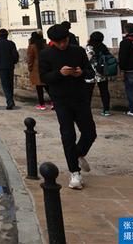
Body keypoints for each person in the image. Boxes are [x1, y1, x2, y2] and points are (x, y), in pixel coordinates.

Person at [39, 24, 96, 190]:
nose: (62, 45)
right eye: (59, 43)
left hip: (80, 97)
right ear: (52, 42)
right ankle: (74, 172)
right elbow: (44, 76)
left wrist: (81, 72)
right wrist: (60, 73)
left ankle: (77, 154)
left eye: (64, 41)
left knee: (90, 132)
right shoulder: (46, 54)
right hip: (61, 100)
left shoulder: (78, 51)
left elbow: (90, 71)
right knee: (68, 135)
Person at [85, 32, 112, 117]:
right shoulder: (103, 47)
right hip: (102, 72)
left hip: (91, 73)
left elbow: (89, 60)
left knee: (88, 92)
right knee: (104, 92)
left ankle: (86, 109)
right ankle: (106, 110)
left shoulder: (89, 47)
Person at [0, 29, 19, 110]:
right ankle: (11, 100)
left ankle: (9, 101)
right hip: (10, 66)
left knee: (5, 85)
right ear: (7, 35)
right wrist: (14, 62)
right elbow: (15, 55)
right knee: (10, 84)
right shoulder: (11, 43)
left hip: (1, 66)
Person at [27, 31, 50, 110]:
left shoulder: (32, 46)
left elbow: (30, 59)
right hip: (46, 67)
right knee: (47, 86)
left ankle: (42, 104)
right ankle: (54, 102)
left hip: (36, 68)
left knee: (39, 87)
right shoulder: (46, 45)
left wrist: (30, 68)